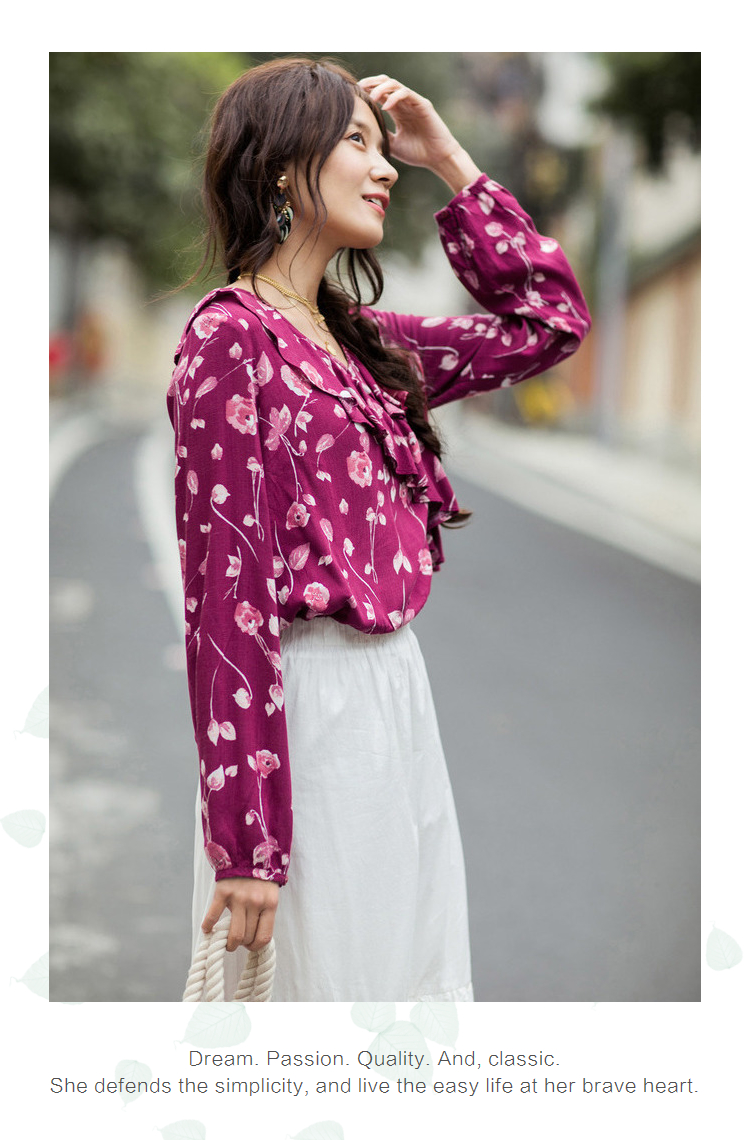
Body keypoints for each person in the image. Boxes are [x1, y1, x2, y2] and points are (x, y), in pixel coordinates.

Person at [168, 57, 590, 1001]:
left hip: (399, 701)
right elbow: (226, 602)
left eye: (381, 143)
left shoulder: (365, 346)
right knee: (323, 1013)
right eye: (357, 142)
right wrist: (247, 844)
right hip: (307, 721)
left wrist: (451, 160)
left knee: (408, 1005)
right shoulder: (230, 340)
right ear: (284, 167)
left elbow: (549, 322)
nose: (386, 165)